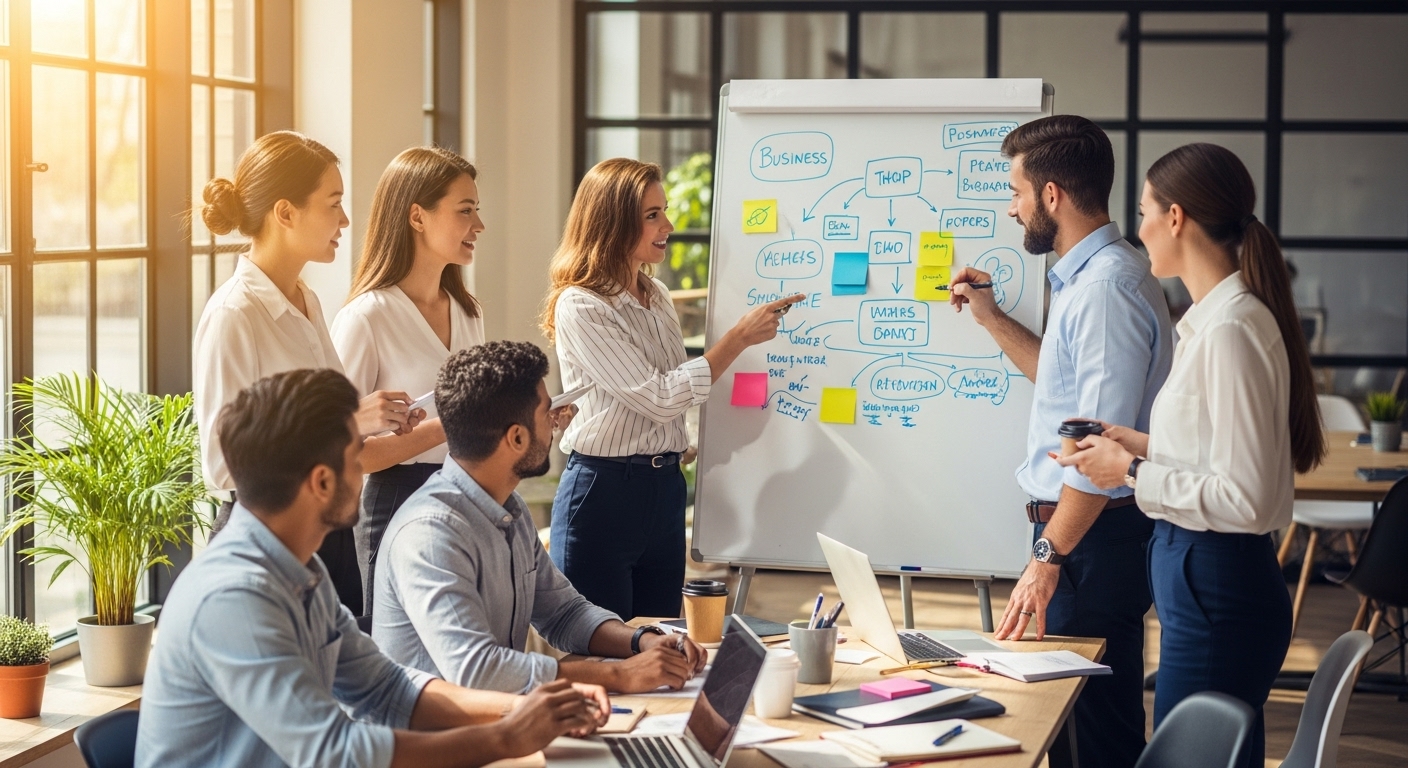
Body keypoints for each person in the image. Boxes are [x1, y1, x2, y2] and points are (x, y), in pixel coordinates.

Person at [137, 368, 609, 768]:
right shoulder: (233, 596)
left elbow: (386, 688)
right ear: (322, 482)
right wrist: (506, 737)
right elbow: (333, 753)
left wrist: (531, 708)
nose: (365, 470)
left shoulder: (298, 570)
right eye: (355, 456)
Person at [1056, 143, 1323, 768]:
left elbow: (1248, 500)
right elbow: (1216, 450)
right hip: (1203, 580)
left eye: (1145, 210)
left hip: (1218, 587)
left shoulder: (1231, 329)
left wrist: (1131, 472)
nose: (1139, 225)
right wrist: (1137, 443)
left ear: (1176, 217)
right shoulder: (1210, 320)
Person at [948, 115, 1174, 768]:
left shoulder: (1105, 288)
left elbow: (1096, 454)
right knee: (1071, 728)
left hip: (1090, 540)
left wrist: (1048, 556)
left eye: (1017, 191)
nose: (1011, 206)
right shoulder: (1093, 278)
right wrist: (992, 318)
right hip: (1085, 537)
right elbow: (1065, 383)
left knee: (1091, 736)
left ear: (1052, 196)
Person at [540, 157, 804, 620]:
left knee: (660, 642)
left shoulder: (656, 295)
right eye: (652, 215)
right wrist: (738, 338)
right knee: (603, 651)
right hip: (602, 494)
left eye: (664, 210)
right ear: (612, 223)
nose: (669, 224)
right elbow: (660, 396)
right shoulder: (581, 306)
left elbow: (665, 396)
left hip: (662, 490)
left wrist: (673, 444)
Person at [374, 342, 708, 694]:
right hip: (437, 743)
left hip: (500, 723)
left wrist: (642, 640)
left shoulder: (509, 509)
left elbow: (564, 613)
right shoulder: (430, 534)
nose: (555, 423)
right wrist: (620, 675)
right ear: (516, 437)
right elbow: (477, 670)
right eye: (547, 413)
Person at [193, 130, 428, 614]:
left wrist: (377, 421)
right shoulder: (234, 314)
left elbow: (339, 423)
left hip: (327, 536)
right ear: (285, 212)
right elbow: (221, 463)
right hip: (267, 542)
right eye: (333, 203)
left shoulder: (307, 302)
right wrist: (349, 422)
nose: (344, 220)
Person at [332, 147, 503, 617]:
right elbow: (347, 453)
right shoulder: (365, 318)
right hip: (394, 504)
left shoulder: (469, 313)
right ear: (417, 217)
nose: (479, 225)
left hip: (466, 496)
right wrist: (453, 424)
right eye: (465, 210)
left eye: (477, 210)